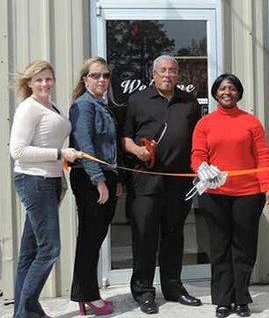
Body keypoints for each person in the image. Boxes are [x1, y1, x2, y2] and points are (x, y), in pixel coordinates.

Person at [191, 74, 269, 318]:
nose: (226, 92)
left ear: (238, 93)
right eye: (221, 88)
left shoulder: (251, 122)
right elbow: (197, 155)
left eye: (231, 88)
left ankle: (241, 298)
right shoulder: (204, 123)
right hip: (215, 194)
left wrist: (268, 186)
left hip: (248, 195)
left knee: (244, 247)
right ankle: (222, 299)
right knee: (219, 248)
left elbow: (262, 156)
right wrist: (201, 168)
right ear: (215, 93)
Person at [122, 55, 202, 314]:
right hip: (146, 181)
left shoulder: (189, 102)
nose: (168, 75)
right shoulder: (138, 100)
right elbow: (124, 136)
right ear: (153, 74)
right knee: (145, 237)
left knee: (174, 236)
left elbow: (197, 140)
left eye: (172, 71)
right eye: (163, 71)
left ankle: (173, 287)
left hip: (179, 183)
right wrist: (136, 150)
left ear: (178, 75)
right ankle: (144, 291)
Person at [9, 60, 81, 318]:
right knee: (50, 248)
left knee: (30, 251)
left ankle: (24, 311)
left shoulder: (49, 105)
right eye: (39, 80)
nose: (44, 84)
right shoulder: (28, 109)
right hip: (33, 181)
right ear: (29, 83)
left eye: (48, 78)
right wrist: (61, 153)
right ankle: (27, 310)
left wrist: (60, 179)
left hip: (49, 181)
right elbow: (17, 150)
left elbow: (48, 143)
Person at [69, 57, 122, 315]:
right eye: (95, 75)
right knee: (90, 238)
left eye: (105, 75)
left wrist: (115, 180)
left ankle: (86, 293)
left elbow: (110, 147)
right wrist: (99, 180)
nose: (102, 80)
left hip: (105, 176)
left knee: (95, 237)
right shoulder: (83, 106)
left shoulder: (102, 106)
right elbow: (84, 146)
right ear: (85, 79)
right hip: (90, 177)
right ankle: (87, 295)